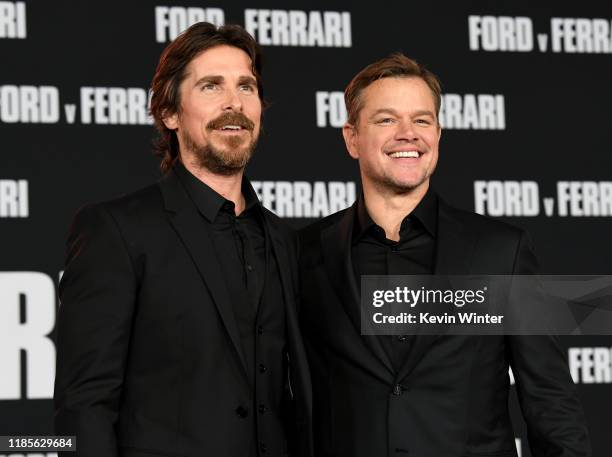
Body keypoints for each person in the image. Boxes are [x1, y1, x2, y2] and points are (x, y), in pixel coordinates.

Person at [298, 53, 590, 457]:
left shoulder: (501, 252)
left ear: (438, 134)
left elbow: (551, 402)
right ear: (352, 138)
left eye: (422, 120)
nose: (408, 134)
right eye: (386, 120)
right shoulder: (305, 252)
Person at [54, 22, 311, 457]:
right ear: (170, 113)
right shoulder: (115, 230)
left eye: (246, 87)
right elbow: (84, 407)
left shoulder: (286, 240)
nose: (235, 103)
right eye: (211, 86)